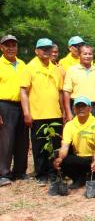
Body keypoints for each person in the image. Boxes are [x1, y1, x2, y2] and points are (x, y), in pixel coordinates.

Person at [20, 38, 64, 185]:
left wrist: (63, 111)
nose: (46, 51)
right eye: (43, 48)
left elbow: (60, 92)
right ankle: (41, 174)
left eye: (48, 48)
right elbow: (23, 92)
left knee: (54, 146)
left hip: (55, 113)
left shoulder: (55, 68)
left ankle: (53, 172)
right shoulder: (29, 67)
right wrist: (26, 112)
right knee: (39, 147)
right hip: (38, 114)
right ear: (36, 51)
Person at [53, 96, 95, 189]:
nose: (81, 109)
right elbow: (65, 146)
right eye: (78, 106)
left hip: (93, 157)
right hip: (78, 158)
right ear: (74, 109)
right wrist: (60, 159)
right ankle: (78, 178)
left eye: (84, 106)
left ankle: (94, 177)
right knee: (62, 160)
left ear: (90, 108)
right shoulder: (69, 125)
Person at [0, 34, 27, 186]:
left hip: (22, 105)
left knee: (22, 138)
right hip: (4, 104)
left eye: (13, 45)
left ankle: (20, 171)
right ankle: (3, 173)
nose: (11, 48)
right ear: (1, 47)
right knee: (6, 140)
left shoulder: (22, 64)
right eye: (7, 45)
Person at [63, 44, 95, 124]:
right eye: (85, 54)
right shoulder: (71, 70)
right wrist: (68, 112)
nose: (88, 56)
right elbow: (67, 92)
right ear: (79, 55)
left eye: (90, 54)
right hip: (79, 108)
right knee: (78, 134)